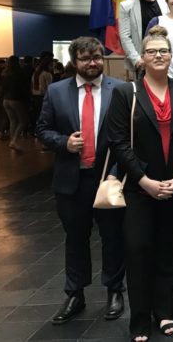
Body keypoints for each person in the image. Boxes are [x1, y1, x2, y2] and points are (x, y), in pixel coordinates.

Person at [105, 26, 173, 341]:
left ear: (172, 56)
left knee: (167, 252)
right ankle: (140, 319)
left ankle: (165, 313)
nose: (159, 55)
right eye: (152, 51)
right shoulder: (125, 93)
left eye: (164, 50)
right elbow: (118, 142)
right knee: (137, 251)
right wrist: (144, 180)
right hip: (139, 189)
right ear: (142, 58)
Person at [35, 37, 125, 325]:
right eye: (86, 58)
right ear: (75, 61)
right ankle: (75, 293)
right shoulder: (56, 91)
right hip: (71, 181)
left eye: (97, 57)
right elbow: (42, 129)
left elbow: (128, 135)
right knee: (75, 239)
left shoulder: (120, 90)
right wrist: (63, 142)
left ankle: (114, 290)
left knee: (113, 238)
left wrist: (117, 172)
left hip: (107, 179)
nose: (93, 63)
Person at [118, 0, 169, 75]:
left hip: (165, 60)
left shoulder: (165, 3)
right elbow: (125, 37)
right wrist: (136, 60)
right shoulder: (126, 6)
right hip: (142, 62)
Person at [2, 55, 28, 151]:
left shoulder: (4, 73)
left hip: (6, 100)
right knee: (23, 120)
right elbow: (23, 88)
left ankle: (12, 141)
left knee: (13, 120)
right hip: (16, 99)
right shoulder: (19, 73)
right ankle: (14, 140)